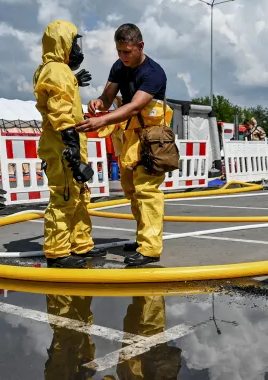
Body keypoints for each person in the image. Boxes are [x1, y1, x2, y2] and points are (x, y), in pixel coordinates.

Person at [76, 23, 172, 267]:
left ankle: (150, 248)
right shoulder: (120, 66)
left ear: (141, 46)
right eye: (119, 52)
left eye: (127, 52)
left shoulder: (153, 73)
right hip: (130, 138)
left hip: (151, 140)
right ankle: (143, 239)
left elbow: (135, 106)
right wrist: (100, 102)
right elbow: (109, 95)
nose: (122, 57)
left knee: (147, 191)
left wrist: (103, 120)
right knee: (132, 192)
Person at [33, 20, 106, 268]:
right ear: (63, 43)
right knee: (64, 198)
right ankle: (57, 252)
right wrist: (72, 149)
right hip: (63, 147)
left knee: (79, 197)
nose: (77, 49)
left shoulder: (58, 71)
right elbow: (61, 111)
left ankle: (80, 245)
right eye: (74, 43)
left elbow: (59, 97)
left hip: (66, 146)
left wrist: (73, 80)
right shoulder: (56, 71)